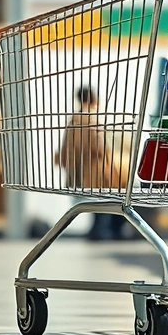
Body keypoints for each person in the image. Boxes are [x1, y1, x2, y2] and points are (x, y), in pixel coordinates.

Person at [54, 85, 129, 241]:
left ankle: (96, 230)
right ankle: (102, 231)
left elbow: (66, 146)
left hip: (79, 168)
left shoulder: (74, 119)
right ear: (94, 99)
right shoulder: (93, 119)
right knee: (103, 200)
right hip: (96, 169)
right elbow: (99, 147)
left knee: (91, 201)